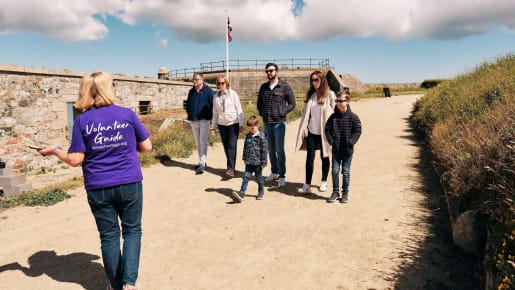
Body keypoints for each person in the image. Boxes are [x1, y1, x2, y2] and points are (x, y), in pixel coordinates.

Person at [37, 71, 152, 290]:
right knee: (132, 231)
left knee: (109, 237)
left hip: (98, 187)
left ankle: (116, 286)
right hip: (129, 183)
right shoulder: (126, 114)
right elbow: (147, 147)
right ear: (108, 89)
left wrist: (54, 150)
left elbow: (75, 159)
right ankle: (129, 284)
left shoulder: (82, 120)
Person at [295, 71, 335, 194]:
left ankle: (324, 181)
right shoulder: (311, 95)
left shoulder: (330, 95)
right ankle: (307, 184)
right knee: (309, 158)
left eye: (316, 79)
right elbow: (305, 112)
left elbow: (335, 112)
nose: (314, 82)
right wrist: (305, 126)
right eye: (312, 80)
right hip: (312, 132)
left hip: (325, 132)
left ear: (322, 80)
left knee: (325, 156)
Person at [257, 63, 295, 187]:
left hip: (279, 124)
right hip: (267, 123)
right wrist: (262, 113)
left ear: (277, 72)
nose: (269, 73)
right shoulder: (263, 87)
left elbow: (292, 103)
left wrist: (283, 112)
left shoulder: (284, 86)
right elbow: (259, 103)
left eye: (271, 71)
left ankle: (282, 175)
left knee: (279, 150)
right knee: (270, 150)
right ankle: (274, 172)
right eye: (267, 71)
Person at [324, 91, 362, 203]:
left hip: (347, 151)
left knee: (346, 172)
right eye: (337, 101)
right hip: (336, 150)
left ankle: (345, 193)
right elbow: (327, 129)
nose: (339, 103)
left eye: (341, 101)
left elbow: (357, 131)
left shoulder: (353, 117)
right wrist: (331, 141)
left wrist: (351, 142)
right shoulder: (332, 117)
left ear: (347, 101)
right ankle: (335, 192)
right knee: (335, 171)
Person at [211, 75, 244, 178]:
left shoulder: (232, 94)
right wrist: (213, 127)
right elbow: (215, 113)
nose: (220, 85)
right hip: (222, 125)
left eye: (222, 83)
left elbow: (239, 109)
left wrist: (241, 124)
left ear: (226, 84)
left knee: (231, 146)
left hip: (233, 123)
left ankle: (230, 169)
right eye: (218, 83)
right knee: (226, 147)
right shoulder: (215, 97)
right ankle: (231, 168)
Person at [232, 116, 268, 202]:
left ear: (257, 126)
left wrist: (264, 162)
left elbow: (264, 151)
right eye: (249, 129)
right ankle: (241, 193)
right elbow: (245, 148)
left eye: (252, 128)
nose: (251, 130)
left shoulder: (261, 137)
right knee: (246, 177)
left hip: (258, 163)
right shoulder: (248, 136)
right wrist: (244, 158)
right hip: (249, 162)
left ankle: (261, 192)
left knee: (259, 178)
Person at [186, 72, 214, 174]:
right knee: (197, 142)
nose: (194, 81)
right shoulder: (191, 92)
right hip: (193, 119)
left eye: (197, 79)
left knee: (203, 141)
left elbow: (212, 105)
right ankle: (202, 161)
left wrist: (211, 118)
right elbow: (188, 104)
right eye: (193, 79)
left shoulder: (208, 91)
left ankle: (202, 163)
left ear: (202, 80)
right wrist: (190, 113)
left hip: (204, 119)